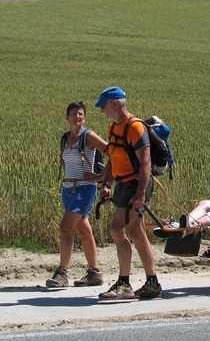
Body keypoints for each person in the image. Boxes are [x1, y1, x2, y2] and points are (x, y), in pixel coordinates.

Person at [95, 86, 162, 300]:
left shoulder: (134, 127)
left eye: (103, 106)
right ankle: (152, 283)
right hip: (124, 184)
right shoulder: (113, 128)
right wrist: (106, 184)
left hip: (137, 184)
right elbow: (114, 159)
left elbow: (145, 162)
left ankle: (124, 283)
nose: (102, 111)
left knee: (117, 229)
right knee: (135, 232)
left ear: (115, 104)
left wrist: (140, 194)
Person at [46, 101, 107, 288]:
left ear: (85, 118)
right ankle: (94, 273)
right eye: (73, 114)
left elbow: (112, 152)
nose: (77, 117)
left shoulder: (89, 136)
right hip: (68, 189)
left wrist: (102, 177)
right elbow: (65, 162)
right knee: (83, 229)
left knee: (65, 228)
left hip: (85, 188)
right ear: (67, 118)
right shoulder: (65, 138)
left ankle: (62, 273)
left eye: (80, 114)